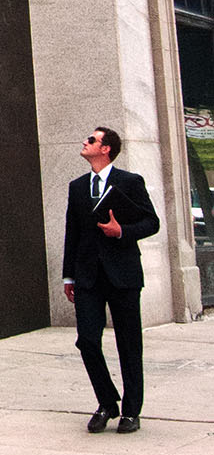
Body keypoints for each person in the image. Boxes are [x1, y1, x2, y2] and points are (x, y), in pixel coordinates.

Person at [62, 125, 160, 434]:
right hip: (88, 277)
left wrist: (122, 232)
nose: (85, 141)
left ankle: (131, 411)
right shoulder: (77, 187)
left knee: (129, 345)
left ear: (105, 149)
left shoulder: (129, 182)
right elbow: (72, 233)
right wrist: (69, 276)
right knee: (87, 341)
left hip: (124, 275)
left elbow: (152, 222)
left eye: (91, 139)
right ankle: (107, 402)